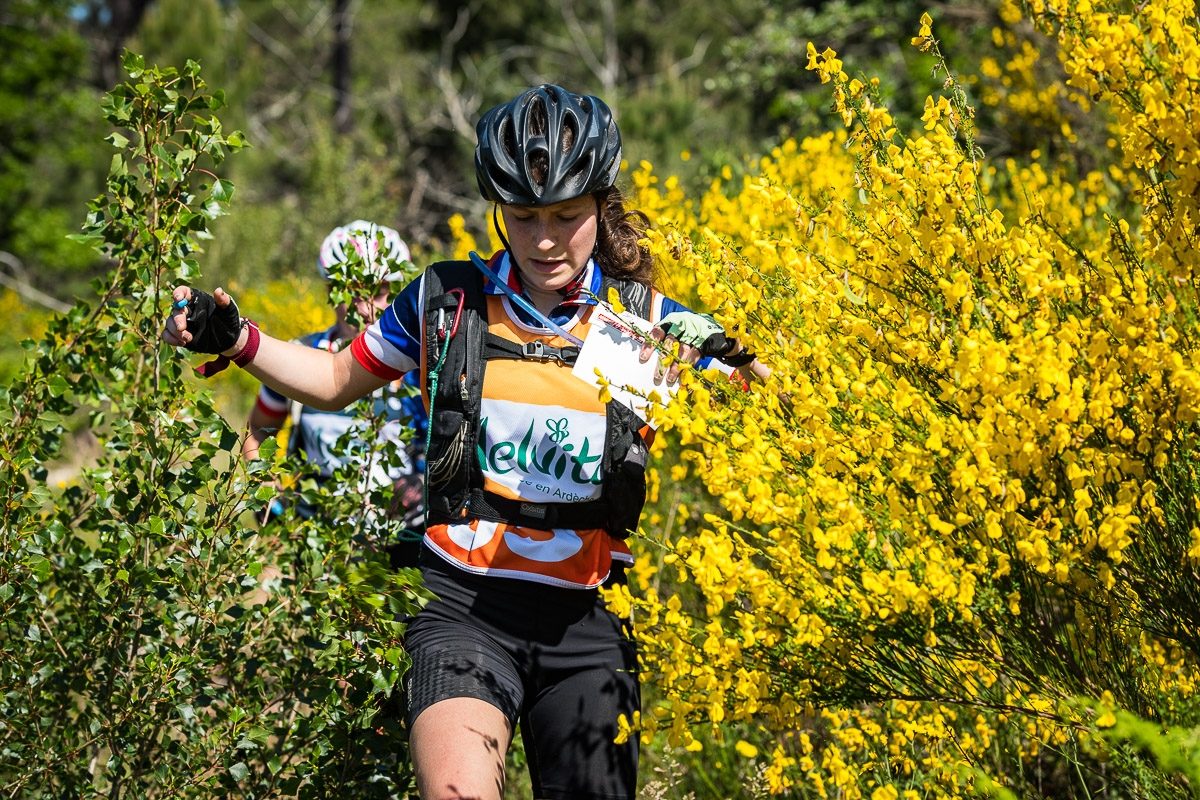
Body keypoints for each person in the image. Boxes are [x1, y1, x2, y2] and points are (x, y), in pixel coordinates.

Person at [162, 83, 766, 800]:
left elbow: (782, 410)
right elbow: (330, 379)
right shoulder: (446, 300)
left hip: (588, 616)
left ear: (600, 208)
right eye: (523, 215)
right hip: (463, 609)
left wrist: (741, 357)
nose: (543, 239)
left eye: (566, 216)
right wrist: (238, 339)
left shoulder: (646, 323)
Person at [241, 220, 427, 529]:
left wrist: (422, 483)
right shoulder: (300, 355)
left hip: (400, 540)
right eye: (352, 293)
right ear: (331, 292)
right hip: (313, 543)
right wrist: (261, 484)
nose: (367, 308)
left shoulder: (420, 365)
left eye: (380, 292)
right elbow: (258, 429)